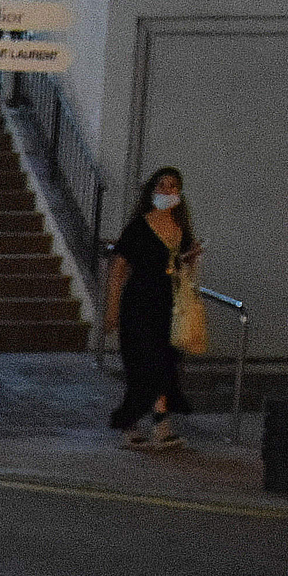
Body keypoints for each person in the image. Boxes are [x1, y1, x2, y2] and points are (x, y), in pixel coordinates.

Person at [103, 166, 198, 448]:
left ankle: (160, 422)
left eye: (173, 187)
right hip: (139, 303)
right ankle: (133, 422)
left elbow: (181, 267)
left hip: (168, 304)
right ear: (151, 191)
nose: (167, 191)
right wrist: (112, 307)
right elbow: (119, 265)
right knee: (143, 363)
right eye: (162, 186)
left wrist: (190, 258)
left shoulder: (181, 229)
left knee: (165, 363)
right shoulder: (139, 227)